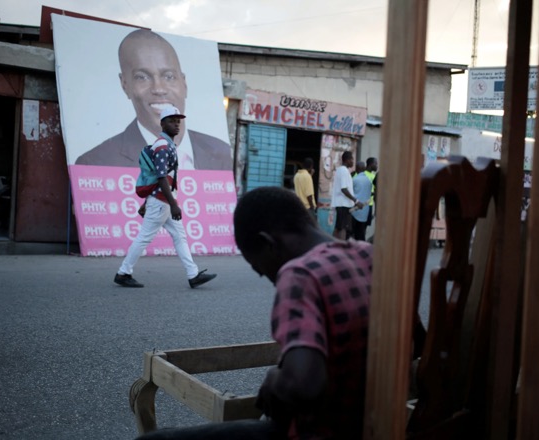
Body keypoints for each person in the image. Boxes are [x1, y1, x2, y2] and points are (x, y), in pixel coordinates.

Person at [136, 186, 373, 439]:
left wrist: (274, 378)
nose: (267, 277)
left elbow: (303, 385)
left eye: (258, 267)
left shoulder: (299, 276)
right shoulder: (369, 255)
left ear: (267, 243)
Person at [75, 29, 232, 170]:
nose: (159, 89)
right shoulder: (95, 163)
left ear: (184, 83)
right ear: (125, 85)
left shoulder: (221, 153)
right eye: (142, 77)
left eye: (169, 76)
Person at [114, 107, 217, 289]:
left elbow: (157, 178)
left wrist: (149, 202)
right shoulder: (162, 146)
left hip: (162, 201)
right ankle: (123, 273)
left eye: (178, 121)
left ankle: (193, 275)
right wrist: (173, 204)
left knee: (179, 236)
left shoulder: (167, 144)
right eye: (171, 120)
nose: (176, 124)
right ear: (162, 123)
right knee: (145, 237)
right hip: (163, 202)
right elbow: (161, 177)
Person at [330, 151, 363, 240]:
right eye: (352, 159)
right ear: (348, 160)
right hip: (343, 205)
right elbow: (344, 189)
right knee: (343, 228)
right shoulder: (344, 171)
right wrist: (356, 201)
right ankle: (340, 248)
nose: (353, 162)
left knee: (338, 228)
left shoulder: (341, 170)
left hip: (342, 204)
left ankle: (331, 245)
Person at [351, 161, 373, 241]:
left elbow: (350, 194)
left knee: (352, 234)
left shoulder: (355, 179)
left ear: (357, 168)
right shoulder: (368, 181)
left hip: (354, 211)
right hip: (365, 211)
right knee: (361, 234)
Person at [363, 157, 378, 232]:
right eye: (376, 163)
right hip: (363, 204)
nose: (377, 166)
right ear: (371, 164)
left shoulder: (374, 176)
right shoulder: (363, 175)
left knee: (365, 227)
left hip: (370, 204)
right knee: (362, 227)